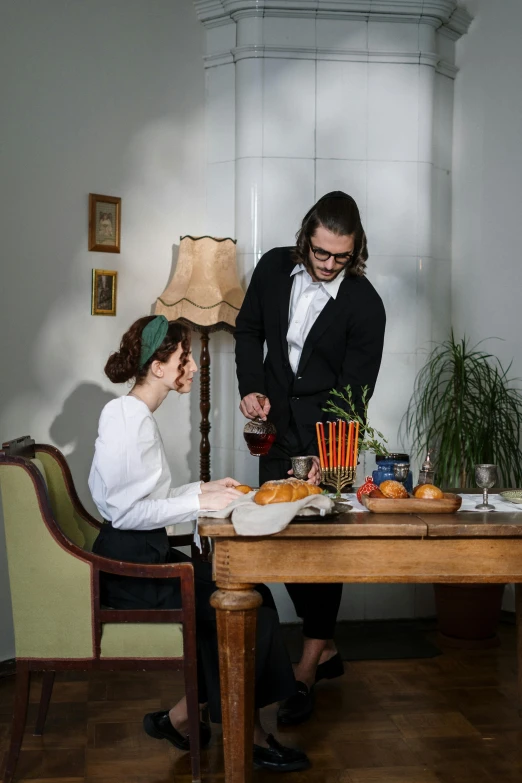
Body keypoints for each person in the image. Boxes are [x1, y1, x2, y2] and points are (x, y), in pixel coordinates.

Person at [89, 314, 309, 773]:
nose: (191, 368)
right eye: (184, 359)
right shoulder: (126, 419)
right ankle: (246, 735)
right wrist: (195, 505)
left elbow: (143, 499)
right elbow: (126, 512)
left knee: (249, 594)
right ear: (158, 367)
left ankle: (184, 717)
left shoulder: (134, 415)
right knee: (240, 605)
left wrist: (205, 490)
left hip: (143, 556)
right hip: (133, 572)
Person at [235, 191, 386, 725]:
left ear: (355, 250)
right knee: (277, 538)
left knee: (321, 555)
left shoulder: (366, 304)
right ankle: (325, 649)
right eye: (320, 253)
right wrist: (250, 387)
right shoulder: (275, 268)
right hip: (275, 432)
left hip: (330, 439)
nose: (326, 265)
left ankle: (306, 665)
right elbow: (250, 331)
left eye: (339, 257)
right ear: (306, 239)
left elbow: (356, 392)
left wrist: (331, 456)